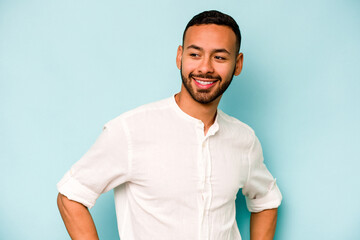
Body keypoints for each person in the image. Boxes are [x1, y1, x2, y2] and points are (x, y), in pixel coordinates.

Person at [57, 10, 282, 240]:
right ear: (180, 57)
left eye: (220, 57)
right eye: (195, 54)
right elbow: (71, 195)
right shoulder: (131, 130)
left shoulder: (244, 140)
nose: (205, 68)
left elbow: (266, 199)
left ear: (238, 64)